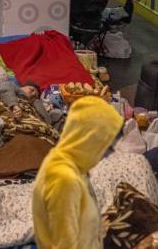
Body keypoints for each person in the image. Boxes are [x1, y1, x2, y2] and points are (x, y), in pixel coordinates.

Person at [32, 96, 123, 249]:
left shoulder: (70, 164)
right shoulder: (63, 178)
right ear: (87, 140)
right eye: (106, 145)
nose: (109, 152)